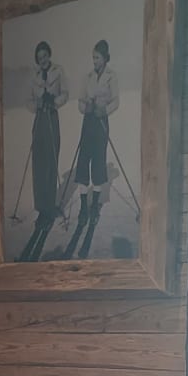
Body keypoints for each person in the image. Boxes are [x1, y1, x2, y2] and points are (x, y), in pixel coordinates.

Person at [68, 39, 119, 258]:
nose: (94, 61)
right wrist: (86, 107)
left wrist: (104, 110)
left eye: (97, 57)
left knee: (98, 163)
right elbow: (80, 101)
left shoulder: (111, 76)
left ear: (105, 58)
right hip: (88, 122)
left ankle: (95, 206)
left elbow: (116, 101)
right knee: (83, 162)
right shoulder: (87, 77)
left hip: (101, 123)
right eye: (93, 57)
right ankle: (83, 208)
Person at [19, 40, 67, 262]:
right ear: (37, 60)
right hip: (39, 121)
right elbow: (28, 101)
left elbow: (65, 94)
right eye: (39, 58)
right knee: (39, 164)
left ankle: (50, 208)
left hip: (52, 119)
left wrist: (54, 101)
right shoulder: (34, 76)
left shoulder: (59, 71)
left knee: (51, 162)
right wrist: (38, 103)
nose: (43, 60)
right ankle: (42, 208)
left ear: (49, 55)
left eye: (45, 56)